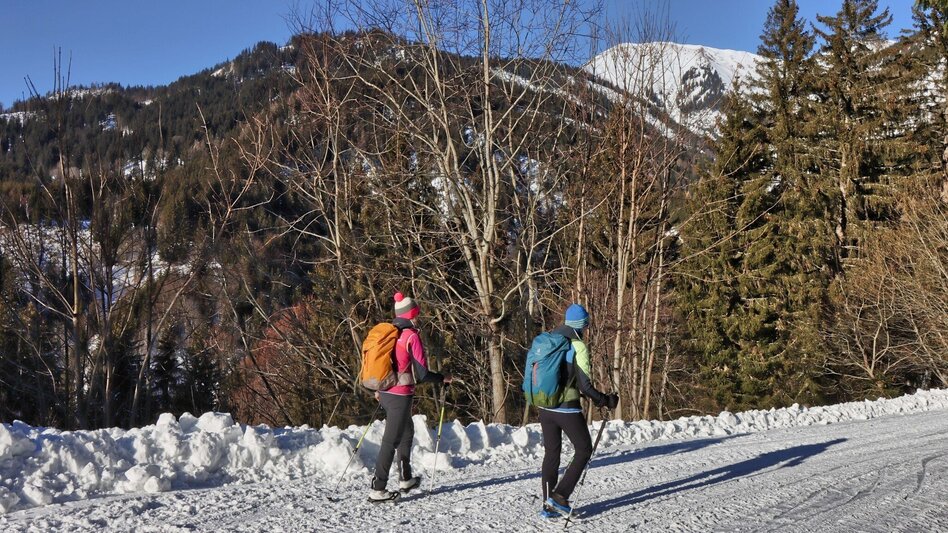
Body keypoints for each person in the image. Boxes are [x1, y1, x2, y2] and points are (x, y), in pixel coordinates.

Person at [369, 292, 452, 502]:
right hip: (400, 396)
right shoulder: (411, 336)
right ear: (411, 315)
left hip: (385, 392)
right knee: (390, 441)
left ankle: (406, 478)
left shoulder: (390, 333)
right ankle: (378, 489)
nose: (419, 318)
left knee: (407, 432)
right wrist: (443, 378)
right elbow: (422, 374)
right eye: (417, 314)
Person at [539, 303, 618, 518]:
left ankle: (547, 505)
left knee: (551, 454)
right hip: (566, 409)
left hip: (544, 406)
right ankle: (559, 496)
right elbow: (584, 386)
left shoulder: (550, 338)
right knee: (584, 450)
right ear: (583, 324)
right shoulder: (578, 345)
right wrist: (604, 400)